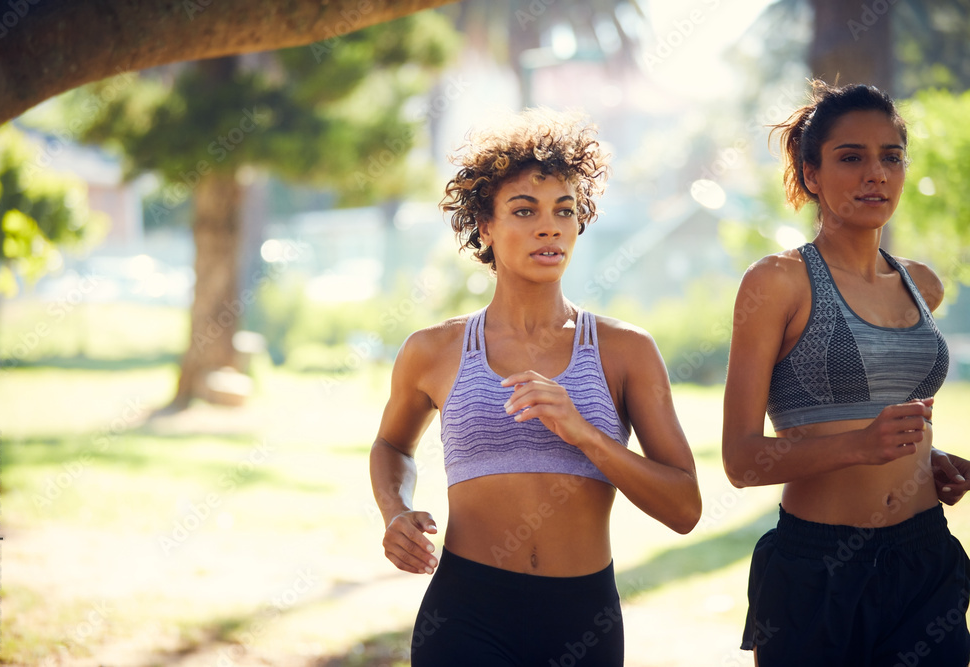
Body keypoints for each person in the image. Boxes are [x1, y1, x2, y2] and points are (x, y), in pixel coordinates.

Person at [368, 107, 702, 666]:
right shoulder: (433, 350)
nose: (549, 226)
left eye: (564, 211)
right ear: (486, 227)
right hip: (466, 612)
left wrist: (588, 436)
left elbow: (685, 506)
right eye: (525, 210)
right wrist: (394, 510)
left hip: (582, 616)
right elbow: (391, 446)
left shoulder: (626, 350)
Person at [722, 80, 970, 666]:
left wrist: (927, 462)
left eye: (891, 156)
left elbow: (886, 419)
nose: (875, 174)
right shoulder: (777, 283)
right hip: (819, 568)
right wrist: (861, 447)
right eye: (850, 157)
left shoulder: (922, 285)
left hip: (924, 557)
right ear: (811, 174)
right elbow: (740, 460)